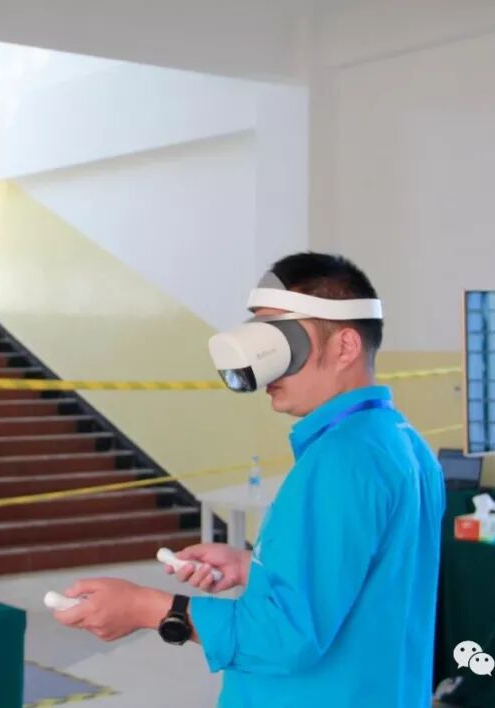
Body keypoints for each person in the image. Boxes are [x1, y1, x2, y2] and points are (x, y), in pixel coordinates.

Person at [51, 252, 445, 707]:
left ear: (345, 347)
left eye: (282, 340)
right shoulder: (401, 441)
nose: (265, 368)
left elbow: (285, 636)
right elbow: (370, 582)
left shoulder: (341, 458)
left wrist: (147, 608)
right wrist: (254, 566)